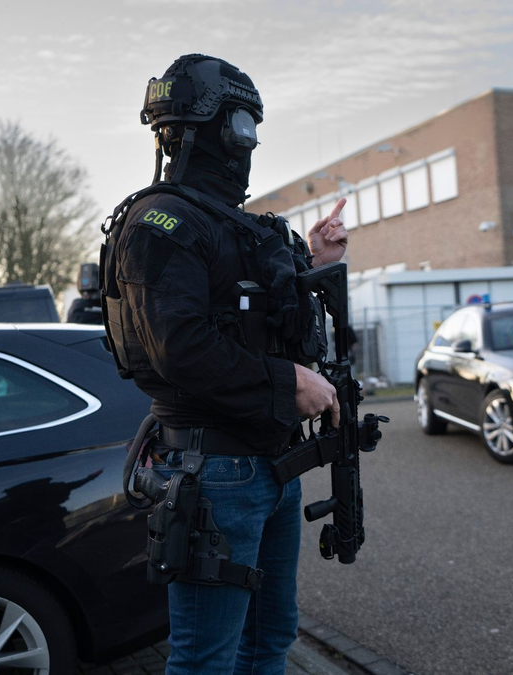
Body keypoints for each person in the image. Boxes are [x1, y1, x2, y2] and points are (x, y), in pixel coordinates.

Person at [100, 54, 349, 675]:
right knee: (206, 658)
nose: (251, 142)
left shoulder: (225, 223)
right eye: (245, 124)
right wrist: (288, 381)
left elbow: (259, 316)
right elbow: (178, 347)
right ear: (215, 126)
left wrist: (314, 259)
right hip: (216, 472)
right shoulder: (161, 223)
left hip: (270, 465)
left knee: (269, 639)